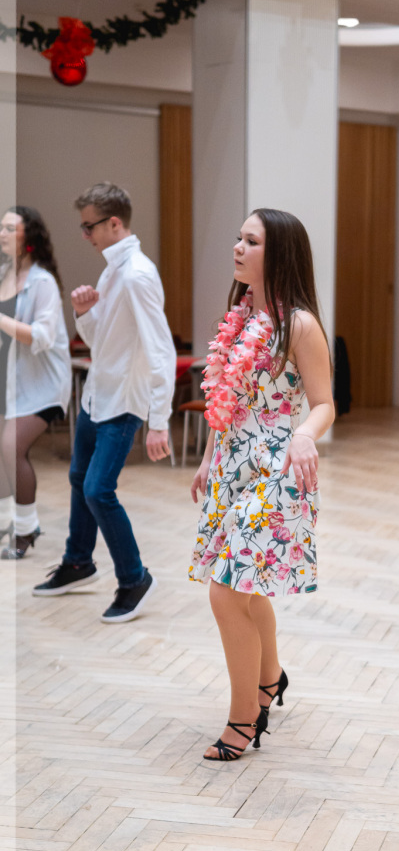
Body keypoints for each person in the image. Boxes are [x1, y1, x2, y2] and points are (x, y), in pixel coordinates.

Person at [189, 207, 334, 762]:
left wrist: (305, 436)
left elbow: (324, 403)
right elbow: (224, 401)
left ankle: (243, 718)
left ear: (279, 254)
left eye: (251, 241)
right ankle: (270, 678)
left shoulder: (299, 324)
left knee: (226, 590)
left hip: (275, 471)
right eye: (239, 238)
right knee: (244, 588)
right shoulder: (240, 317)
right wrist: (208, 458)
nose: (238, 247)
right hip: (231, 469)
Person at [32, 182, 176, 621]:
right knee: (80, 479)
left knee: (98, 490)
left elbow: (161, 350)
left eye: (89, 226)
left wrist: (159, 420)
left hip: (123, 402)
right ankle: (78, 562)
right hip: (98, 395)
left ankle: (134, 579)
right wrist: (84, 312)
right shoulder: (113, 271)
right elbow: (102, 341)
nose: (84, 235)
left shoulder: (137, 275)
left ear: (114, 223)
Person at [0, 206, 70, 558]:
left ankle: (26, 531)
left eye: (10, 228)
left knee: (11, 447)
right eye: (1, 228)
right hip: (11, 383)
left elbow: (41, 336)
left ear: (29, 236)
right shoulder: (3, 276)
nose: (2, 234)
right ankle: (10, 523)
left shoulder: (43, 282)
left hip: (44, 385)